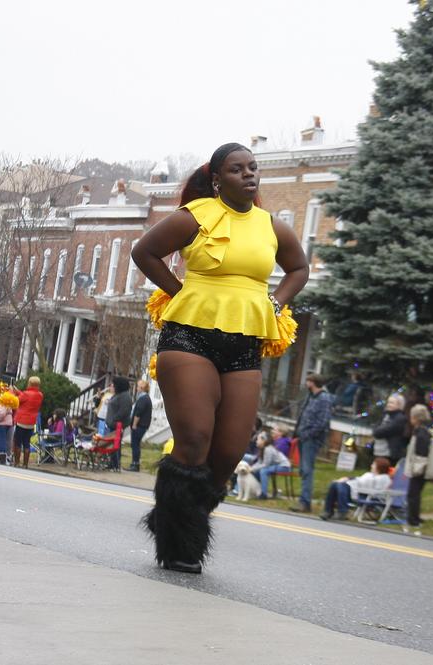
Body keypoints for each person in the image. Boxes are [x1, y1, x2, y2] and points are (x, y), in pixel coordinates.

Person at [131, 141, 309, 573]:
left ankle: (172, 515)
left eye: (253, 168)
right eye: (237, 169)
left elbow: (299, 269)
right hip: (189, 338)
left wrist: (278, 303)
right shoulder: (195, 217)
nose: (249, 175)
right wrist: (181, 293)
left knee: (228, 455)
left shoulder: (271, 226)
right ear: (217, 178)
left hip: (244, 346)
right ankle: (179, 546)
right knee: (194, 442)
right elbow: (144, 252)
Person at [290, 374, 333, 513]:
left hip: (312, 439)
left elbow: (323, 421)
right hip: (303, 437)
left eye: (308, 381)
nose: (306, 383)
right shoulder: (310, 396)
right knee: (303, 469)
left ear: (313, 382)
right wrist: (297, 433)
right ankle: (303, 500)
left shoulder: (324, 398)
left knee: (307, 470)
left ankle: (305, 502)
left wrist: (308, 434)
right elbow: (302, 415)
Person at [320, 457, 392, 521]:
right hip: (358, 492)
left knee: (340, 485)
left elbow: (363, 483)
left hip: (368, 497)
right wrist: (347, 479)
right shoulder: (370, 475)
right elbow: (359, 480)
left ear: (379, 467)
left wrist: (347, 480)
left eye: (373, 464)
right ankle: (328, 511)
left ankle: (341, 511)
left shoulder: (384, 478)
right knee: (335, 484)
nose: (371, 466)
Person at [403, 404, 433, 536]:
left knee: (413, 494)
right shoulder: (424, 430)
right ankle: (415, 517)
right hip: (419, 466)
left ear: (415, 418)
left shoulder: (421, 433)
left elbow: (421, 453)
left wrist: (416, 468)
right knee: (416, 493)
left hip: (418, 467)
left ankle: (413, 519)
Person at [98, 377, 132, 469]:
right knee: (112, 444)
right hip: (112, 424)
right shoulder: (118, 394)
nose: (112, 386)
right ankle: (112, 463)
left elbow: (124, 411)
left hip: (117, 424)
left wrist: (114, 419)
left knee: (115, 444)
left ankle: (115, 464)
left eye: (114, 384)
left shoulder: (125, 396)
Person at [367, 393, 408, 465]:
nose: (389, 404)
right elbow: (375, 428)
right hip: (378, 451)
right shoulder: (385, 415)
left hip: (389, 454)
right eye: (388, 402)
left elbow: (379, 433)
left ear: (399, 405)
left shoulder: (400, 418)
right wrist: (377, 430)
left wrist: (377, 430)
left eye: (392, 403)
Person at [11, 376, 43, 468]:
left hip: (21, 421)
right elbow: (27, 397)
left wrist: (13, 393)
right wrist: (18, 391)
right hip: (31, 423)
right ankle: (25, 464)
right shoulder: (40, 395)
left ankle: (16, 463)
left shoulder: (25, 394)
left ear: (30, 383)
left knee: (18, 442)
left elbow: (17, 401)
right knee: (26, 443)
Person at [249, 431, 291, 499]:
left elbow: (265, 465)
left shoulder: (268, 449)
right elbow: (259, 462)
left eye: (258, 439)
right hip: (276, 466)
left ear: (264, 440)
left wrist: (252, 468)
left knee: (263, 471)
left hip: (284, 466)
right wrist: (250, 468)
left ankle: (263, 494)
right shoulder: (263, 449)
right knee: (256, 471)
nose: (256, 441)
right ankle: (258, 490)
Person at [127, 379, 152, 472]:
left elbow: (138, 413)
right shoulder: (143, 397)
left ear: (142, 388)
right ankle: (134, 463)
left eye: (138, 386)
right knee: (135, 444)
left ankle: (135, 464)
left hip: (139, 425)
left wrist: (134, 424)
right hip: (142, 425)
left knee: (135, 444)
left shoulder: (143, 399)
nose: (137, 388)